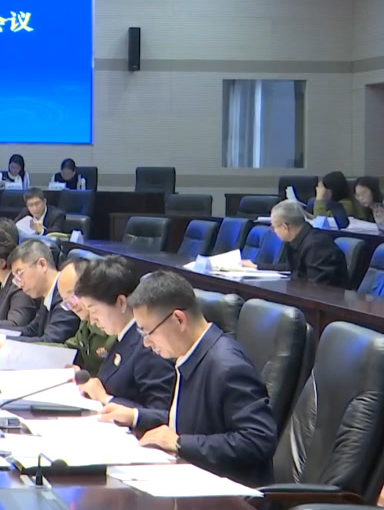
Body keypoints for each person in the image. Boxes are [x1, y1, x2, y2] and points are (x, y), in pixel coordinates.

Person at [98, 271, 277, 487]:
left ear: (179, 319)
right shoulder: (188, 355)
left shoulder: (227, 365)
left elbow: (258, 439)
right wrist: (136, 416)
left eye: (148, 332)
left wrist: (180, 443)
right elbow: (188, 421)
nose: (146, 343)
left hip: (225, 492)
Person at [72, 256, 175, 411]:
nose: (92, 320)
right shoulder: (122, 336)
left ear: (121, 302)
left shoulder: (149, 344)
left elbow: (160, 412)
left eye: (94, 310)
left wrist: (106, 399)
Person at [0, 239, 78, 345]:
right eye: (16, 279)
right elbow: (30, 331)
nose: (19, 284)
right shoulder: (48, 295)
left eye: (20, 274)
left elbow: (50, 342)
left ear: (42, 264)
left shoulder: (66, 295)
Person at [244, 200, 349, 287]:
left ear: (285, 227)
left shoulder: (316, 246)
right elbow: (290, 268)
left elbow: (317, 288)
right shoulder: (297, 240)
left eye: (274, 227)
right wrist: (257, 266)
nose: (273, 231)